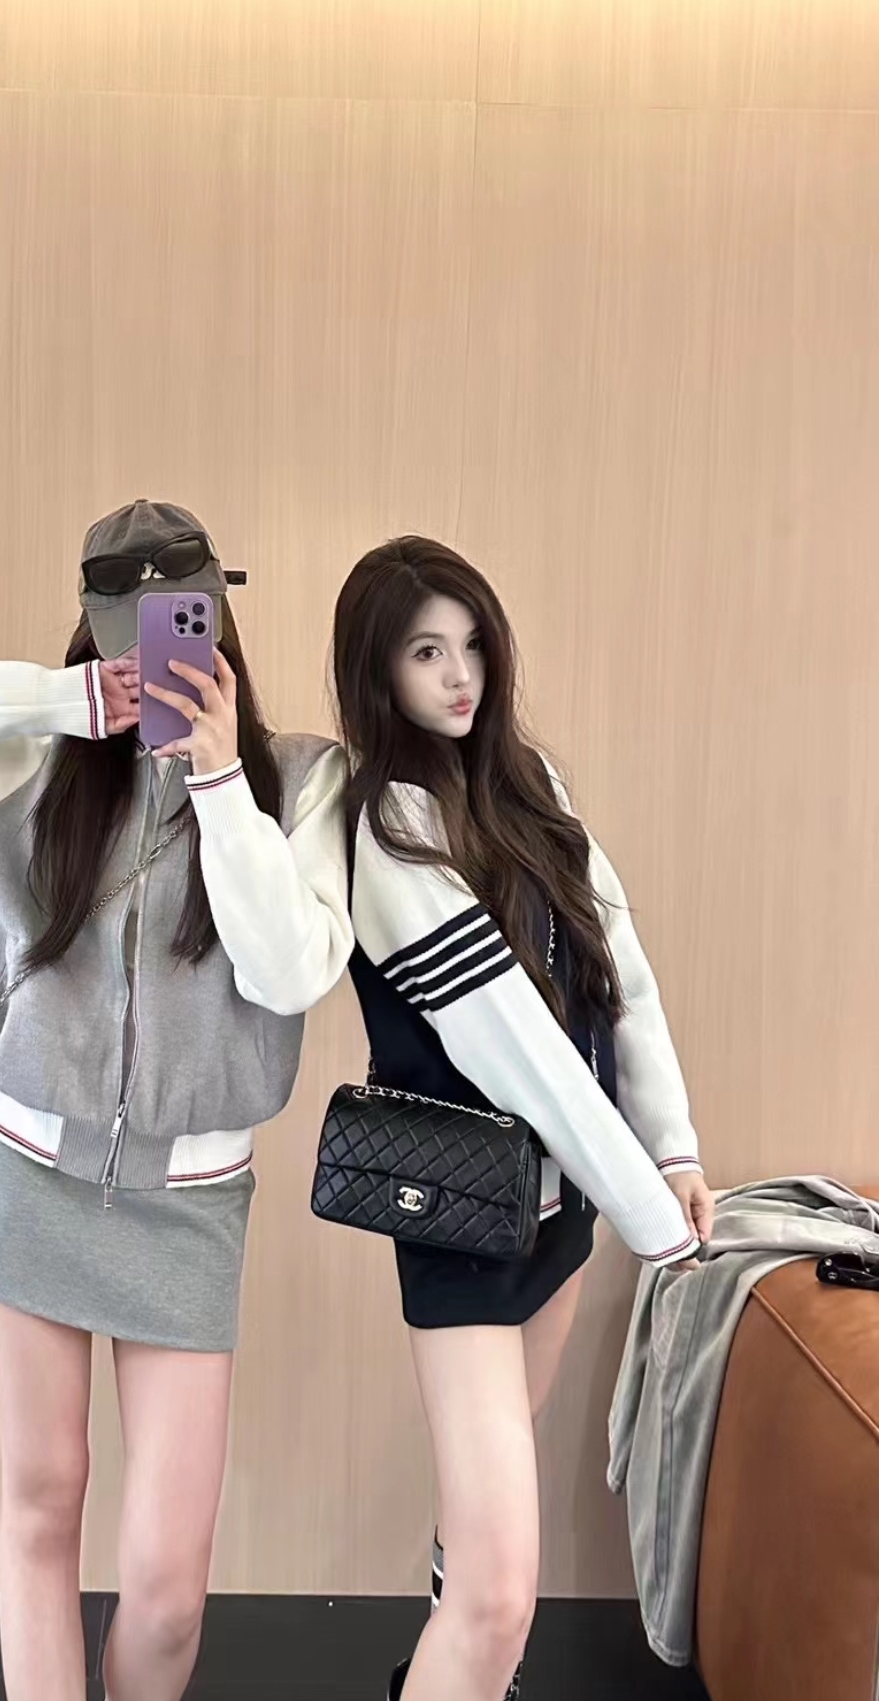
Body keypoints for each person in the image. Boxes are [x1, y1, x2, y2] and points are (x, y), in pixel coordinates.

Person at [0, 500, 351, 1701]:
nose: (160, 652)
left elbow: (288, 974)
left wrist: (219, 781)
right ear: (92, 626)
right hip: (28, 1175)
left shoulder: (303, 782)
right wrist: (61, 704)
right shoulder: (25, 757)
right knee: (43, 1499)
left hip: (191, 1204)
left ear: (219, 617)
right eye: (131, 629)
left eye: (184, 621)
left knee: (169, 1590)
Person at [329, 537, 714, 1701]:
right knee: (501, 1597)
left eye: (472, 646)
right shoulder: (385, 829)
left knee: (477, 1542)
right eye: (425, 653)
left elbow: (617, 971)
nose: (459, 676)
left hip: (562, 1210)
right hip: (461, 1217)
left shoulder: (528, 787)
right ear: (377, 671)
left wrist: (672, 1149)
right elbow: (519, 1050)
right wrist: (657, 1219)